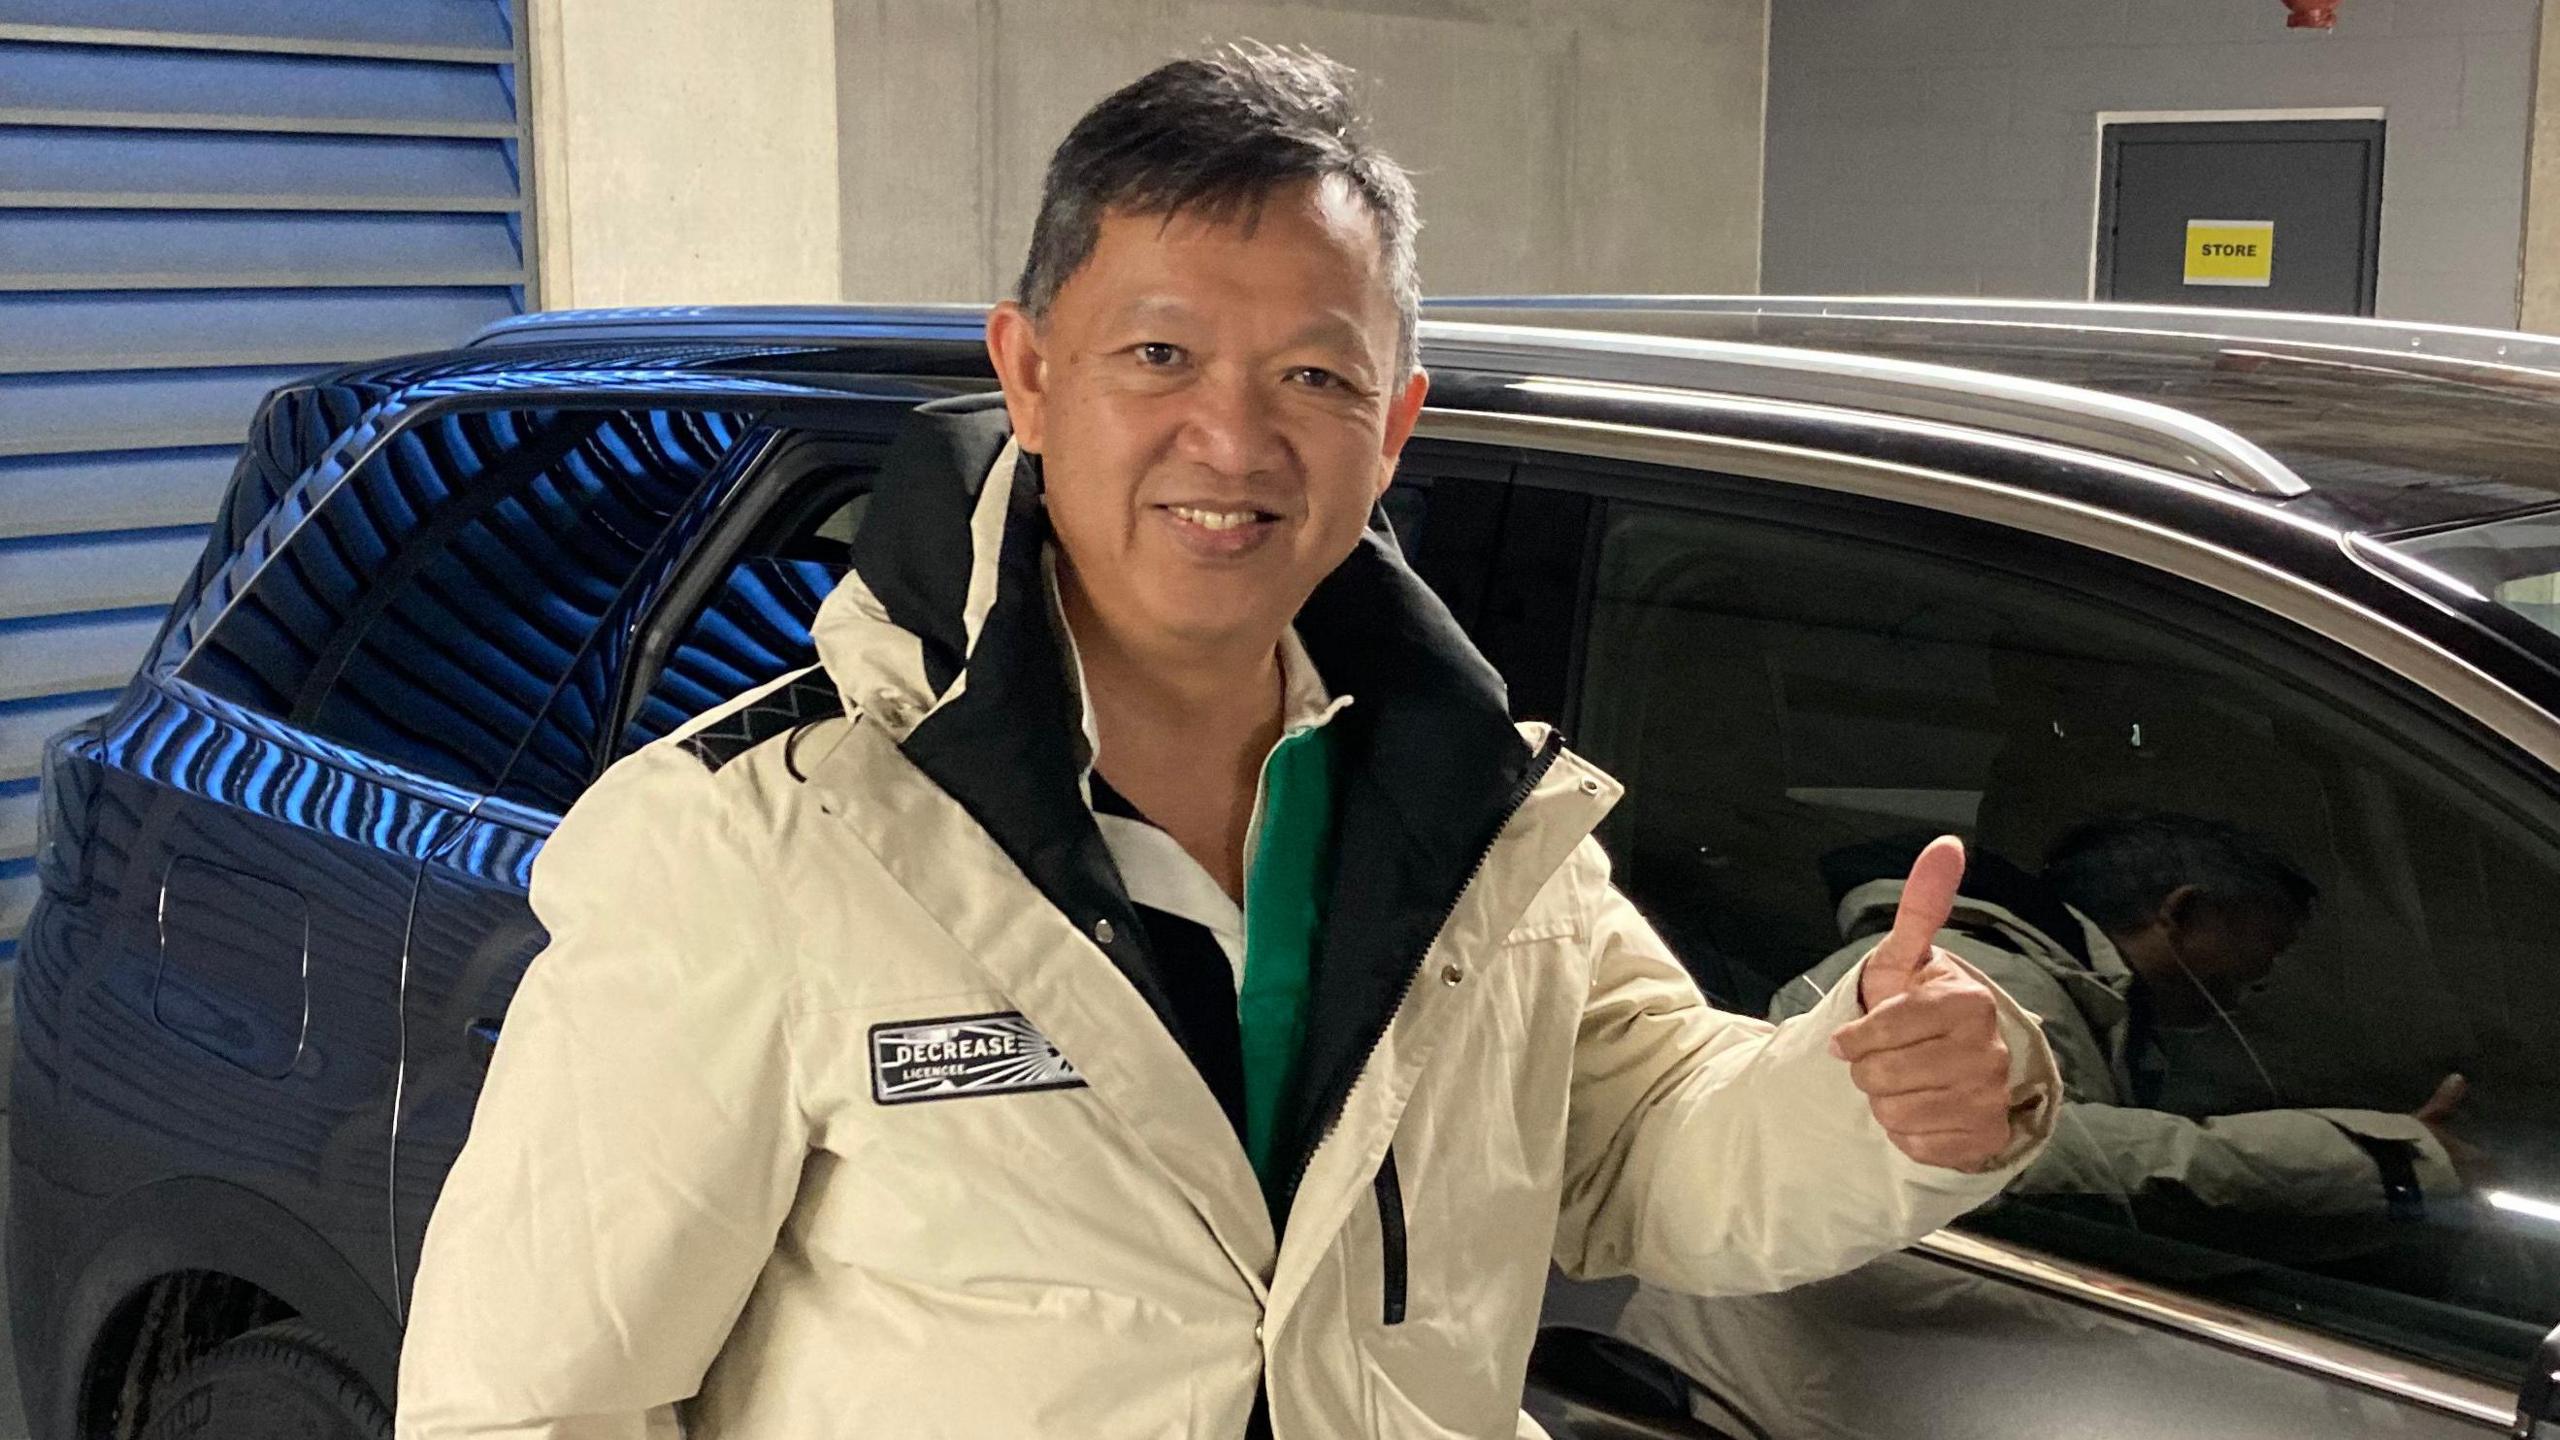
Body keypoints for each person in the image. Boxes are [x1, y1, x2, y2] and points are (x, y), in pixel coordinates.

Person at [394, 45, 2060, 1440]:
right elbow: (525, 1405)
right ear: (1029, 374)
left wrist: (1870, 1095)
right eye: (1160, 354)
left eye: (1317, 375)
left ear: (1395, 424)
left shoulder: (1476, 822)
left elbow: (1645, 1153)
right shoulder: (765, 845)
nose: (1237, 437)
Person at [1771, 813, 2471, 1219]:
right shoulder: (1975, 980)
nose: (2263, 978)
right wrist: (2384, 1161)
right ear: (2184, 913)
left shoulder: (2081, 1000)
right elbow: (2026, 1161)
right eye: (2269, 945)